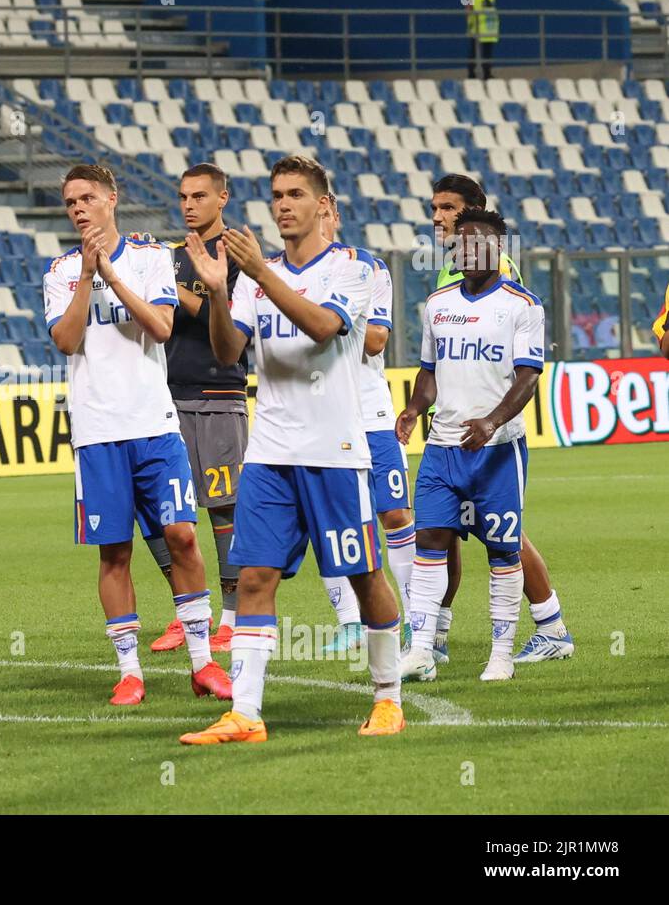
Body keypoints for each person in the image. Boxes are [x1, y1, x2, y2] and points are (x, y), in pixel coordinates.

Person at [181, 156, 404, 745]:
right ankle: (246, 713)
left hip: (335, 451)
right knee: (254, 577)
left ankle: (388, 698)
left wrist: (258, 274)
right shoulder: (255, 276)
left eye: (295, 194)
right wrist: (221, 291)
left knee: (363, 574)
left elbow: (322, 328)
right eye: (277, 195)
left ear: (321, 205)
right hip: (271, 453)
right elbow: (229, 353)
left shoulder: (354, 270)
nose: (283, 205)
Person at [44, 163, 230, 706]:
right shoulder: (59, 271)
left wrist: (112, 274)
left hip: (154, 426)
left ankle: (203, 663)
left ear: (111, 199)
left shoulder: (151, 258)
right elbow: (67, 340)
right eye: (70, 201)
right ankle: (130, 672)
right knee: (114, 552)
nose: (77, 208)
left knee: (183, 537)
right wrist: (85, 274)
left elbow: (162, 327)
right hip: (97, 433)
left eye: (85, 198)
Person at [429, 174, 573, 664]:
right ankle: (437, 634)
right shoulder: (451, 272)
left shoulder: (492, 268)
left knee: (499, 535)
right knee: (448, 529)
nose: (438, 218)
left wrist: (490, 415)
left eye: (448, 208)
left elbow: (510, 346)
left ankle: (548, 625)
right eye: (435, 208)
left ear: (474, 211)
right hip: (455, 429)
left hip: (487, 432)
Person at [397, 209, 543, 683]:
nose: (470, 250)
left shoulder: (523, 306)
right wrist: (415, 408)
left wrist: (493, 420)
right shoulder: (437, 303)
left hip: (498, 450)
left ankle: (500, 653)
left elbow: (529, 376)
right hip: (442, 450)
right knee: (429, 542)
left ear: (500, 248)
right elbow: (428, 370)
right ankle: (420, 648)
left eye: (480, 242)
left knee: (502, 550)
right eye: (462, 243)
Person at [146, 163, 248, 656]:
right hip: (167, 398)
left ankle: (230, 618)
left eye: (199, 196)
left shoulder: (237, 255)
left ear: (222, 198)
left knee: (223, 510)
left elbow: (215, 315)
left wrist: (169, 283)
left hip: (218, 397)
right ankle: (190, 613)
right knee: (166, 513)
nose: (188, 205)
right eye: (184, 197)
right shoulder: (172, 256)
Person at [317, 194, 416, 655]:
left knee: (394, 513)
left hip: (372, 412)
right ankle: (350, 621)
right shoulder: (282, 277)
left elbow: (375, 340)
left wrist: (319, 321)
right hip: (320, 414)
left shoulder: (369, 269)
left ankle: (413, 616)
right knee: (333, 520)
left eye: (323, 214)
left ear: (335, 214)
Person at [466, 0, 498, 80]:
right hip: (476, 28)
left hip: (489, 29)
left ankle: (487, 73)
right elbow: (468, 11)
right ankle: (471, 73)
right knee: (474, 53)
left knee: (487, 53)